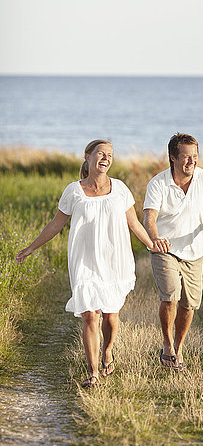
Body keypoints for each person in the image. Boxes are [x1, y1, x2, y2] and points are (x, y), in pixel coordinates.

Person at [16, 139, 159, 387]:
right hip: (84, 261)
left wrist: (152, 244)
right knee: (89, 317)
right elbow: (55, 224)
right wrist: (30, 248)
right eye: (101, 153)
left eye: (110, 155)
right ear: (88, 156)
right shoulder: (73, 190)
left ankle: (108, 351)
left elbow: (134, 224)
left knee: (110, 317)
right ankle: (93, 373)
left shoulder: (121, 189)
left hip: (115, 260)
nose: (106, 158)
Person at [143, 132, 203, 370]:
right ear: (173, 157)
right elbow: (149, 217)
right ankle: (167, 345)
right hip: (165, 248)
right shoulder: (158, 183)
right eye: (185, 157)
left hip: (194, 251)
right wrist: (155, 239)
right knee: (171, 295)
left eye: (194, 156)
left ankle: (179, 346)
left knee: (189, 304)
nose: (191, 161)